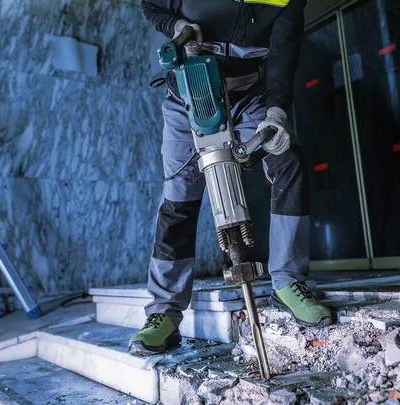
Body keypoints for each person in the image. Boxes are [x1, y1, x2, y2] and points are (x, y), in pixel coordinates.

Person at [130, 0, 332, 356]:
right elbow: (151, 4)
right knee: (179, 197)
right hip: (188, 95)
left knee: (289, 159)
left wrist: (276, 113)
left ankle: (288, 281)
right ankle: (164, 310)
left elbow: (283, 54)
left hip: (249, 96)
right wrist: (176, 27)